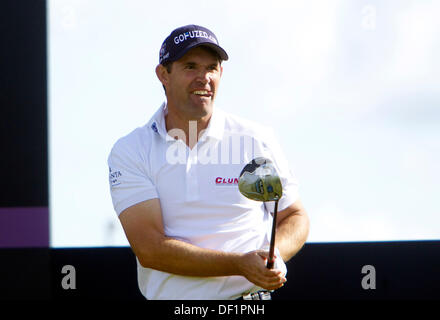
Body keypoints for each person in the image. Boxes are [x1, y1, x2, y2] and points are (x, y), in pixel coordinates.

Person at [107, 24, 309, 300]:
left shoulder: (255, 139)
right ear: (163, 74)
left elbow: (294, 216)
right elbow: (150, 249)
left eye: (212, 68)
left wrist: (273, 256)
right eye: (190, 66)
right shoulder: (132, 150)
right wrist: (239, 264)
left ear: (221, 73)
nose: (203, 78)